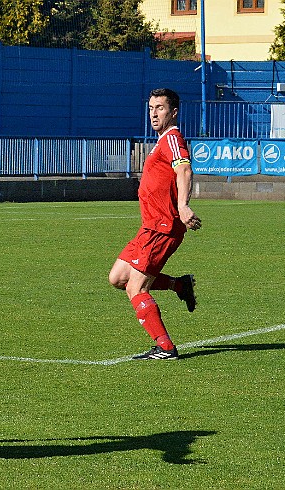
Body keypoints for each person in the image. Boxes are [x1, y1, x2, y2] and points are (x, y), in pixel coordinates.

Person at [108, 88, 201, 360]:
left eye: (160, 108)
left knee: (135, 287)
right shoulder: (162, 141)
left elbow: (183, 169)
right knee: (117, 278)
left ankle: (165, 347)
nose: (154, 113)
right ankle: (180, 286)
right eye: (151, 108)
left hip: (162, 227)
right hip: (149, 227)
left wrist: (183, 205)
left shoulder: (173, 138)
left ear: (173, 112)